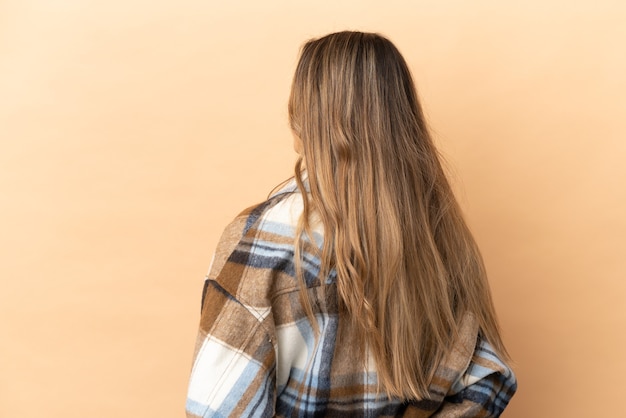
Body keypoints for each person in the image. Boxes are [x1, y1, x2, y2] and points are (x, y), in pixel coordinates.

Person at [186, 31, 517, 417]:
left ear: (301, 120)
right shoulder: (438, 240)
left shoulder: (261, 241)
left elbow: (217, 409)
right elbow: (488, 379)